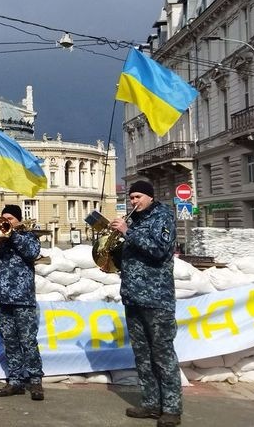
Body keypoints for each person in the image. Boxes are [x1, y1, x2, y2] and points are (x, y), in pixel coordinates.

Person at [110, 181, 181, 427]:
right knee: (142, 354)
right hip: (133, 296)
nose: (133, 202)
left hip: (157, 298)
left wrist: (128, 232)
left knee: (162, 354)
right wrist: (111, 248)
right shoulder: (136, 221)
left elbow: (160, 250)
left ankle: (171, 408)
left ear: (150, 197)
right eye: (130, 198)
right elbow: (129, 258)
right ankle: (151, 403)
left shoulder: (163, 217)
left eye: (138, 196)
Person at [0, 204, 44, 401]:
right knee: (10, 342)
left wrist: (13, 236)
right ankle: (15, 381)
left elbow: (32, 253)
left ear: (18, 221)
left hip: (23, 299)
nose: (6, 222)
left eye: (10, 219)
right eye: (3, 218)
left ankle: (35, 381)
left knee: (28, 341)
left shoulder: (29, 237)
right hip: (2, 298)